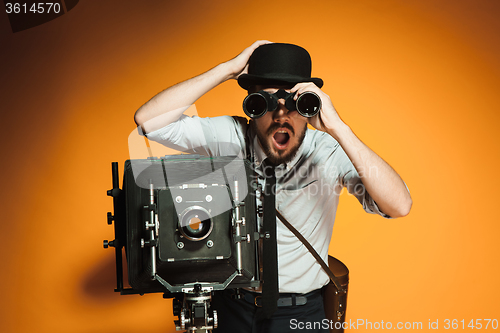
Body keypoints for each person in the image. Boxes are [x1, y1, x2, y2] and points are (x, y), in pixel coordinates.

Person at [134, 41, 412, 332]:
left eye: (295, 104)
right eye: (264, 103)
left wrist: (338, 127)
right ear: (252, 107)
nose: (281, 115)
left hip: (302, 313)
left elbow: (399, 205)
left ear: (310, 107)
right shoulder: (230, 136)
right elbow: (148, 121)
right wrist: (228, 69)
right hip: (230, 306)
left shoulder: (327, 151)